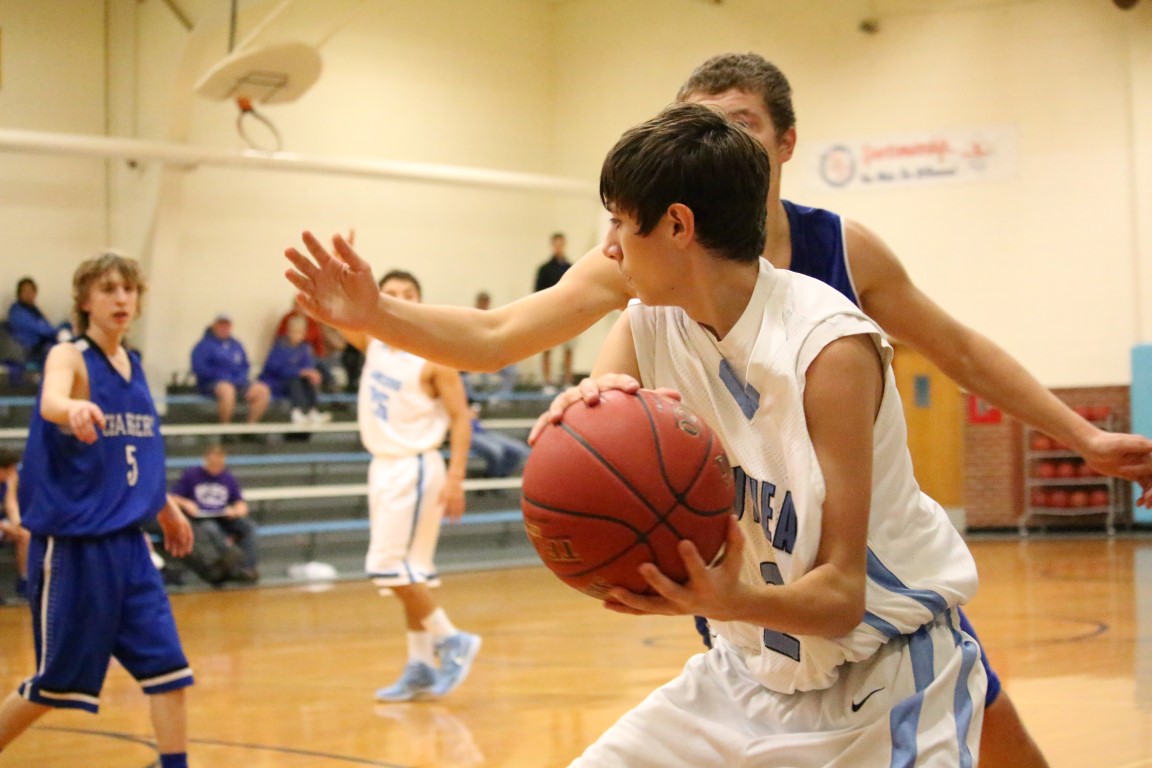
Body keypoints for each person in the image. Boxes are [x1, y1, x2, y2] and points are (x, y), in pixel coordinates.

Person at [284, 51, 1152, 768]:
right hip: (752, 655)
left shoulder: (831, 319)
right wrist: (380, 319)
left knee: (987, 723)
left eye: (735, 124)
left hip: (878, 639)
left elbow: (955, 354)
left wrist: (1080, 434)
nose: (608, 244)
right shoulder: (646, 296)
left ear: (774, 149)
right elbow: (517, 345)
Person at [543, 98, 986, 767]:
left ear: (677, 225)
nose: (607, 248)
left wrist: (732, 599)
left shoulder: (827, 349)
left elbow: (841, 597)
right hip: (746, 673)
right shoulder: (645, 325)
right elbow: (592, 435)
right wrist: (576, 418)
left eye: (620, 224)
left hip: (885, 676)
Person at [0, 253, 195, 768]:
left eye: (129, 289)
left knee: (169, 671)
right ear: (85, 300)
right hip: (74, 547)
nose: (122, 298)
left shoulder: (135, 368)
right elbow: (51, 400)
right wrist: (74, 408)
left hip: (129, 545)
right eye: (109, 289)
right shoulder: (70, 355)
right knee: (54, 682)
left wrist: (164, 506)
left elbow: (134, 453)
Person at [340, 269, 480, 702]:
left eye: (408, 294)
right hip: (385, 465)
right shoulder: (373, 342)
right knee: (411, 573)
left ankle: (450, 638)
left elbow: (461, 419)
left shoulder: (434, 356)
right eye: (390, 293)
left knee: (386, 564)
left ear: (419, 302)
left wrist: (456, 477)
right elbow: (333, 315)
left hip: (415, 467)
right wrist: (341, 277)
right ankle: (420, 665)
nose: (399, 299)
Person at [168, 444, 260, 585]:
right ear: (206, 459)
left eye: (219, 463)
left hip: (223, 516)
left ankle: (247, 568)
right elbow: (173, 497)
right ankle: (227, 560)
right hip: (200, 517)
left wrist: (235, 511)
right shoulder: (191, 474)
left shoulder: (227, 477)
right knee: (210, 528)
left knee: (248, 526)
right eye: (213, 463)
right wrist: (186, 503)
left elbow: (241, 504)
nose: (216, 466)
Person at [190, 314, 271, 425]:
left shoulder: (236, 345)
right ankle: (226, 428)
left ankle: (250, 428)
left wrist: (240, 378)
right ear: (214, 326)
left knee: (262, 390)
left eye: (226, 325)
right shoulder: (203, 346)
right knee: (227, 390)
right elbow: (199, 369)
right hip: (211, 384)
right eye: (221, 325)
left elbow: (245, 366)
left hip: (238, 382)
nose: (224, 328)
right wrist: (222, 377)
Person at [259, 315, 331, 425]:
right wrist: (299, 372)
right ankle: (297, 411)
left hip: (298, 381)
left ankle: (312, 411)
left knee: (307, 380)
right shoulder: (280, 346)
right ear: (288, 331)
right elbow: (274, 368)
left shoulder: (304, 347)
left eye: (300, 332)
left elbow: (307, 365)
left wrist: (312, 373)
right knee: (294, 380)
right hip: (277, 382)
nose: (297, 335)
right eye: (295, 331)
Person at [533, 233, 575, 391]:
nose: (559, 247)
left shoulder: (571, 268)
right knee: (547, 348)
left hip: (568, 314)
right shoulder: (544, 269)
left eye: (561, 244)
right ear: (552, 246)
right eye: (556, 244)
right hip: (549, 314)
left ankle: (567, 380)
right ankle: (547, 381)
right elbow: (537, 293)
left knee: (569, 348)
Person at [464, 291, 518, 402]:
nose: (484, 305)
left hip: (491, 356)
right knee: (467, 375)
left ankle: (502, 398)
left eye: (486, 303)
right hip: (473, 358)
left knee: (511, 370)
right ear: (477, 303)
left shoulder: (493, 317)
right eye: (482, 302)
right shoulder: (469, 318)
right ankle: (475, 399)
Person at [5, 277, 71, 368]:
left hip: (41, 344)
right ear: (19, 294)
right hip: (30, 351)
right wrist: (59, 332)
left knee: (67, 326)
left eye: (31, 291)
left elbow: (46, 326)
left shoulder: (32, 309)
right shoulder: (17, 312)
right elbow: (41, 329)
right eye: (25, 291)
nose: (28, 294)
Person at [467, 403, 530, 479]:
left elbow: (475, 409)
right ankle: (491, 479)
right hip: (467, 435)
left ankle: (501, 477)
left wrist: (471, 412)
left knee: (519, 449)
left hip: (482, 432)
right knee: (497, 450)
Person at [0, 448, 30, 601]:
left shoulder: (9, 480)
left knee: (24, 535)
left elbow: (10, 504)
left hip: (2, 524)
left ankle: (24, 581)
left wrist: (16, 525)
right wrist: (5, 527)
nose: (13, 472)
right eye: (9, 469)